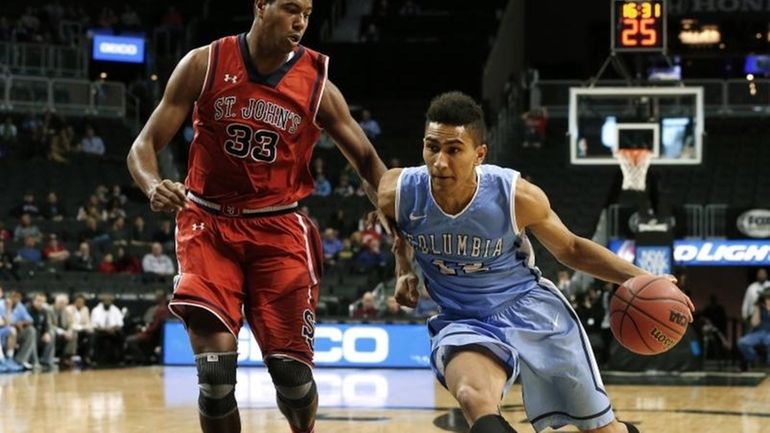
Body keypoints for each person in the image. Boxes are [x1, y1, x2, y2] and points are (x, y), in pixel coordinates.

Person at [126, 1, 388, 432]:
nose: (301, 20)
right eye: (290, 9)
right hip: (208, 224)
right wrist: (153, 185)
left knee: (292, 377)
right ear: (261, 6)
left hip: (278, 226)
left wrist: (389, 211)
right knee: (214, 378)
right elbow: (143, 145)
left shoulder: (318, 84)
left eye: (307, 11)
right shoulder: (204, 63)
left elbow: (366, 158)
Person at [377, 92, 695, 433]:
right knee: (473, 397)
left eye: (454, 149)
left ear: (479, 154)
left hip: (531, 311)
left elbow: (571, 249)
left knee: (603, 431)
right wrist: (402, 265)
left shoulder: (515, 195)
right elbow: (389, 216)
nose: (439, 161)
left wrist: (645, 278)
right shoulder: (399, 191)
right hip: (463, 318)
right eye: (432, 147)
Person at [737, 288, 770, 370]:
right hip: (759, 332)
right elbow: (754, 323)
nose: (768, 300)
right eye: (766, 298)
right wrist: (757, 307)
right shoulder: (760, 307)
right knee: (742, 342)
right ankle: (754, 361)